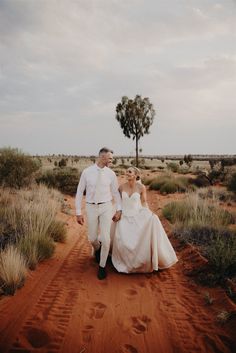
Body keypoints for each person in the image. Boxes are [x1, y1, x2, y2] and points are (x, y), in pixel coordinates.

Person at [111, 167, 178, 273]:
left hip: (136, 215)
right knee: (122, 242)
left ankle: (140, 263)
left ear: (135, 175)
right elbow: (118, 202)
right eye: (126, 171)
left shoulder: (141, 187)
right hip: (124, 217)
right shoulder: (121, 187)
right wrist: (117, 212)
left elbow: (144, 203)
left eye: (129, 172)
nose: (127, 173)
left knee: (150, 224)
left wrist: (149, 214)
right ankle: (124, 262)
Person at [75, 147, 122, 280]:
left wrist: (119, 209)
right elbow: (79, 192)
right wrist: (78, 212)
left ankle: (102, 266)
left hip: (106, 207)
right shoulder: (87, 172)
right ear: (102, 157)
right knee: (92, 238)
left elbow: (115, 193)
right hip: (91, 207)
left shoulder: (111, 174)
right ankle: (98, 249)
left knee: (106, 238)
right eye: (110, 158)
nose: (112, 160)